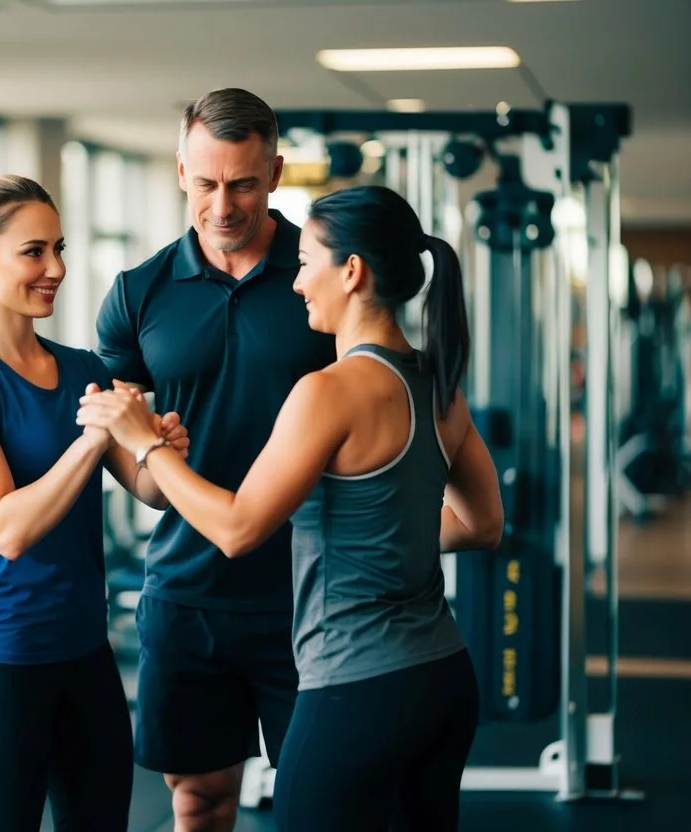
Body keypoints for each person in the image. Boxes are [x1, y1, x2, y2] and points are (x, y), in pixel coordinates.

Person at [78, 183, 505, 831]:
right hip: (442, 677)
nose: (297, 282)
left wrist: (146, 447)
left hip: (356, 686)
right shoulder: (435, 380)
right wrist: (380, 536)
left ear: (352, 272)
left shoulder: (328, 391)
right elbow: (481, 524)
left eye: (306, 262)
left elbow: (237, 528)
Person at [0, 173, 190, 831]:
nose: (56, 269)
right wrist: (95, 437)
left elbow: (149, 492)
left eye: (58, 248)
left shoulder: (81, 369)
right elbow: (6, 528)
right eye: (33, 252)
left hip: (86, 657)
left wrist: (161, 449)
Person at [93, 87, 336, 829]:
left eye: (242, 184)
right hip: (186, 593)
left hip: (313, 595)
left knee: (320, 805)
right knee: (198, 802)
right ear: (179, 173)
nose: (222, 204)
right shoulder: (137, 294)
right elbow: (121, 440)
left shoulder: (323, 277)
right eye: (205, 184)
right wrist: (153, 474)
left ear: (275, 173)